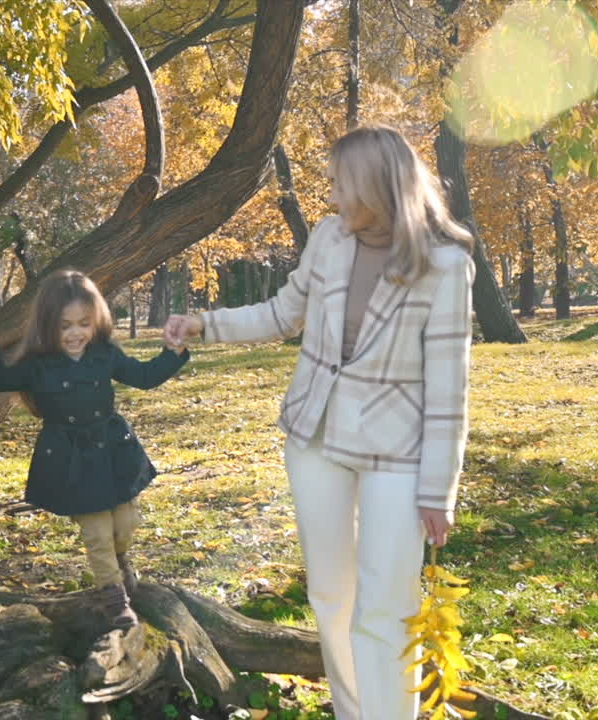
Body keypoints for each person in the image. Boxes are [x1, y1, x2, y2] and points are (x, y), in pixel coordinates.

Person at [165, 125, 475, 720]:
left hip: (399, 453)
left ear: (374, 186)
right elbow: (283, 313)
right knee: (331, 595)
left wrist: (439, 489)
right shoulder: (330, 238)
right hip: (315, 440)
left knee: (386, 604)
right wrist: (206, 324)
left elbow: (449, 387)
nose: (330, 195)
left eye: (339, 183)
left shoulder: (444, 262)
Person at [0, 269, 188, 628]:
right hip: (71, 458)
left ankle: (121, 558)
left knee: (126, 522)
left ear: (95, 321)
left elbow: (145, 377)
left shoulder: (104, 355)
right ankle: (115, 599)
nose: (75, 334)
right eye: (65, 326)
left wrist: (173, 352)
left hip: (113, 450)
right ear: (47, 326)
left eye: (83, 323)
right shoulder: (37, 366)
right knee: (96, 532)